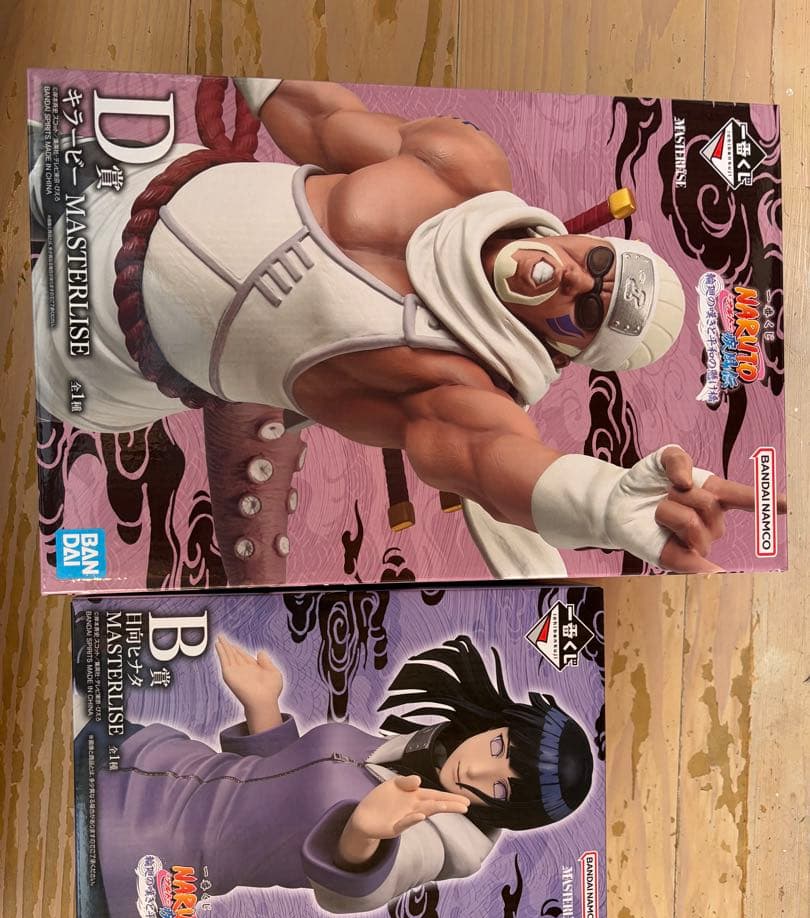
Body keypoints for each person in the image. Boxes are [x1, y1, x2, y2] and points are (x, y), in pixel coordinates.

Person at [32, 76, 784, 577]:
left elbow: (493, 461)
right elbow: (317, 118)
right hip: (113, 176)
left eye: (588, 311)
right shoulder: (463, 167)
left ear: (567, 346)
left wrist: (604, 504)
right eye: (597, 264)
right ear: (588, 239)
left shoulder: (454, 384)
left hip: (85, 347)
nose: (575, 280)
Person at [80, 634, 593, 918]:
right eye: (498, 747)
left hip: (124, 852)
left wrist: (365, 835)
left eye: (501, 788)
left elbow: (361, 885)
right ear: (496, 724)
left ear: (505, 810)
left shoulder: (435, 839)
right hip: (142, 750)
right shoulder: (409, 754)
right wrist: (263, 706)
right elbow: (273, 785)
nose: (476, 771)